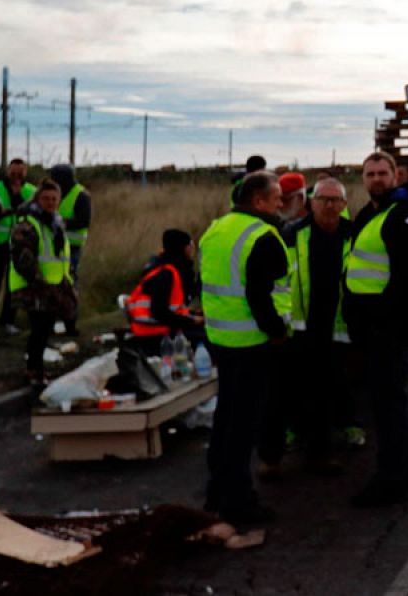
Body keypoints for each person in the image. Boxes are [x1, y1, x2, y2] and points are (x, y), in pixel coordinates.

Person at [200, 171, 291, 527]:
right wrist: (277, 333)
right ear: (258, 201)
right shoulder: (263, 236)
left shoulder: (216, 229)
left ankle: (216, 493)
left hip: (221, 339)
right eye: (277, 197)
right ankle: (238, 504)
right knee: (243, 428)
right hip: (253, 343)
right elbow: (259, 296)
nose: (281, 203)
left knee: (225, 421)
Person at [343, 150, 408, 507]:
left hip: (387, 331)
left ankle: (392, 479)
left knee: (389, 405)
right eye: (370, 174)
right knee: (384, 405)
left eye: (382, 173)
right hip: (371, 330)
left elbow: (406, 279)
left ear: (396, 175)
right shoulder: (369, 214)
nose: (376, 179)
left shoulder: (405, 216)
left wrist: (382, 323)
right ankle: (400, 474)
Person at [282, 177, 355, 474]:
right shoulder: (292, 234)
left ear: (344, 205)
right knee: (299, 389)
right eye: (322, 199)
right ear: (310, 203)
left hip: (339, 326)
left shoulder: (355, 235)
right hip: (301, 327)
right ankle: (298, 439)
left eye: (334, 199)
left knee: (331, 388)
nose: (328, 204)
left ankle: (321, 451)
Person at [7, 179, 74, 386]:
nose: (50, 202)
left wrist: (66, 282)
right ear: (38, 199)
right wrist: (39, 283)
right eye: (46, 198)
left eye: (54, 199)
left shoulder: (55, 223)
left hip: (52, 285)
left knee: (45, 330)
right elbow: (23, 260)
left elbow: (59, 256)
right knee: (39, 330)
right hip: (32, 287)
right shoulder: (28, 223)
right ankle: (33, 371)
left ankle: (37, 370)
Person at [125, 229, 204, 354]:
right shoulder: (166, 274)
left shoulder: (162, 266)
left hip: (153, 328)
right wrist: (192, 320)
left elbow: (173, 307)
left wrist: (192, 314)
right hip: (154, 333)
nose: (192, 250)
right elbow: (159, 312)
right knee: (207, 338)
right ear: (183, 248)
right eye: (190, 245)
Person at [0, 157, 36, 335]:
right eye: (13, 172)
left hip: (20, 244)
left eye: (20, 172)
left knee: (13, 285)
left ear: (25, 172)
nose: (16, 176)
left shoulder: (32, 191)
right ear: (7, 171)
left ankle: (8, 321)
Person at [49, 163, 91, 287]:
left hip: (72, 245)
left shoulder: (81, 195)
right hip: (52, 244)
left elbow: (84, 221)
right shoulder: (54, 193)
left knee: (69, 279)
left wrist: (59, 222)